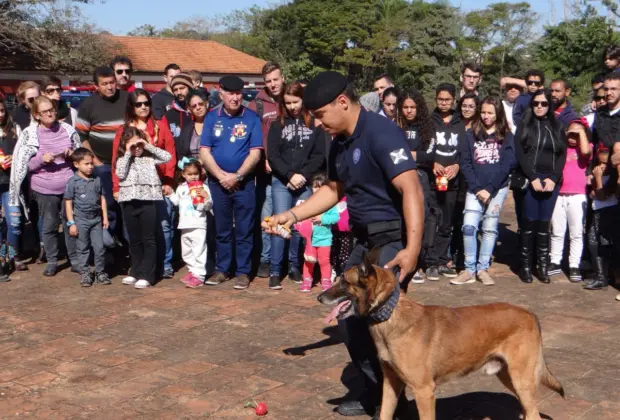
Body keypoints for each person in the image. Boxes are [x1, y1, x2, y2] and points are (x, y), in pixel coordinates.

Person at [263, 71, 424, 418]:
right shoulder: (338, 140)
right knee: (350, 319)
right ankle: (376, 393)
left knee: (387, 323)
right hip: (364, 239)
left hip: (393, 236)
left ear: (342, 102)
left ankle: (401, 404)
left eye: (321, 115)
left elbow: (411, 189)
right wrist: (292, 214)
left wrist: (412, 249)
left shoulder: (381, 133)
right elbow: (335, 189)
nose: (319, 124)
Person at [200, 76, 263, 290]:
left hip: (243, 184)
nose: (235, 98)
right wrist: (221, 176)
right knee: (222, 229)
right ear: (221, 93)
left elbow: (255, 153)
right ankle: (222, 268)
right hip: (218, 184)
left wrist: (236, 176)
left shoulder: (252, 118)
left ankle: (243, 271)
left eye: (238, 93)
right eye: (231, 93)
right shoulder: (211, 117)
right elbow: (204, 152)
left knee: (245, 228)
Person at [10, 96, 80, 277]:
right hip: (44, 188)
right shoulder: (30, 134)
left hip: (68, 186)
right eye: (45, 111)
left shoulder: (67, 129)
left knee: (70, 223)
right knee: (49, 225)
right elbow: (24, 165)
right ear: (36, 115)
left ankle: (74, 259)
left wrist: (71, 155)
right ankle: (52, 260)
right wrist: (41, 159)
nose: (50, 113)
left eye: (52, 109)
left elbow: (80, 157)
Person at [111, 89, 177, 279]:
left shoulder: (159, 126)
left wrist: (169, 180)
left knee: (162, 226)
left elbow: (169, 153)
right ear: (131, 107)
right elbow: (117, 161)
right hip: (130, 188)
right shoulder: (124, 131)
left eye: (146, 103)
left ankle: (163, 265)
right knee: (135, 232)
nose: (143, 107)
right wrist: (116, 187)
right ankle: (138, 268)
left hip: (156, 186)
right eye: (138, 104)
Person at [266, 81, 326, 290]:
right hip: (282, 181)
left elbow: (319, 154)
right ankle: (275, 270)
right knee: (279, 224)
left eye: (296, 102)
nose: (292, 107)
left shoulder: (314, 125)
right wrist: (289, 174)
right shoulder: (277, 125)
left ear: (303, 100)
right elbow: (272, 155)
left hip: (305, 182)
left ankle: (295, 266)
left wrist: (304, 175)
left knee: (300, 227)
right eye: (288, 103)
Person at [451, 97, 515, 286]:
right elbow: (465, 163)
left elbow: (507, 165)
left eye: (490, 113)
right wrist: (478, 188)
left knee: (489, 228)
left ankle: (483, 268)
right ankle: (469, 269)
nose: (486, 116)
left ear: (498, 114)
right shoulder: (471, 134)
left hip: (497, 189)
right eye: (484, 112)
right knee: (469, 226)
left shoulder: (506, 136)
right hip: (475, 189)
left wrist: (490, 189)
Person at [515, 89, 567, 284]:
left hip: (551, 180)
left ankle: (542, 266)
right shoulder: (524, 125)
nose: (539, 106)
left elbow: (562, 155)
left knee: (544, 224)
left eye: (544, 104)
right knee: (529, 223)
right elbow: (520, 153)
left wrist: (554, 178)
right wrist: (533, 177)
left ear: (549, 106)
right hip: (531, 179)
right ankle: (526, 266)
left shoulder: (558, 126)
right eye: (536, 103)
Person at [76, 66, 129, 238]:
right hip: (103, 164)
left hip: (127, 162)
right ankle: (112, 242)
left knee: (128, 203)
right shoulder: (88, 105)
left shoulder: (127, 99)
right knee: (109, 204)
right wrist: (95, 162)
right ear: (96, 86)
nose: (110, 87)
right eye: (104, 84)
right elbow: (81, 136)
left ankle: (129, 244)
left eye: (112, 82)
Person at [115, 126, 171, 289]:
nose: (137, 149)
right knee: (134, 240)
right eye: (133, 146)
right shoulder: (123, 159)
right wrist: (127, 152)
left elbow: (167, 156)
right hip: (129, 202)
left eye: (139, 145)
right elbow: (119, 173)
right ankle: (136, 271)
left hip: (147, 202)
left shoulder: (150, 158)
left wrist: (147, 145)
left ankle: (148, 274)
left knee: (148, 238)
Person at [248, 62, 285, 279]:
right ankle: (266, 258)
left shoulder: (292, 98)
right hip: (267, 171)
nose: (272, 84)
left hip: (291, 170)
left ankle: (289, 260)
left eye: (275, 79)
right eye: (268, 81)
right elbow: (254, 136)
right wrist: (263, 159)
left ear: (282, 78)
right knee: (267, 216)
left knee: (291, 216)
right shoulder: (257, 105)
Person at [424, 83, 464, 281]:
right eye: (441, 99)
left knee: (447, 222)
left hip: (452, 181)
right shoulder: (430, 121)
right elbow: (423, 148)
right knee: (433, 220)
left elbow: (465, 151)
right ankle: (430, 261)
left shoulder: (460, 122)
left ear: (454, 100)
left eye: (448, 100)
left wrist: (457, 166)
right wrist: (432, 162)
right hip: (433, 180)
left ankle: (442, 260)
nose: (444, 103)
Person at [397, 88, 435, 283]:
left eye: (412, 107)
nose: (409, 111)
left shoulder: (426, 128)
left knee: (422, 218)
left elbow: (430, 154)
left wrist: (410, 157)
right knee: (402, 219)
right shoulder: (395, 126)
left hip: (421, 179)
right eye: (405, 107)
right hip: (399, 179)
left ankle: (420, 263)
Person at [548, 119, 592, 283]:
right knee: (557, 231)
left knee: (576, 233)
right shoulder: (562, 148)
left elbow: (586, 152)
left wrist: (581, 133)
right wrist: (565, 135)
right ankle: (555, 261)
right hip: (559, 194)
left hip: (577, 195)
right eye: (570, 133)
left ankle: (574, 264)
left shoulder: (585, 149)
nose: (573, 137)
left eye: (577, 134)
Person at [64, 148, 110, 287]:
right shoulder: (73, 181)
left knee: (99, 247)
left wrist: (105, 217)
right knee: (82, 248)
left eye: (91, 164)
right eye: (86, 164)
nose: (90, 167)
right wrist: (71, 223)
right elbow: (68, 202)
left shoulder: (97, 179)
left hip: (96, 220)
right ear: (76, 164)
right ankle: (85, 273)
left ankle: (100, 272)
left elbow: (102, 198)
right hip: (81, 220)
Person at [168, 158, 213, 288]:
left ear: (200, 174)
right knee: (186, 252)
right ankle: (192, 271)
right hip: (184, 224)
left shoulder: (203, 187)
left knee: (198, 250)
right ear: (183, 174)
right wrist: (170, 194)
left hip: (198, 224)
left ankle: (199, 276)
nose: (193, 177)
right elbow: (176, 202)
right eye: (190, 174)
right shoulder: (181, 188)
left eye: (195, 174)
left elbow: (208, 206)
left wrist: (206, 197)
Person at [295, 173, 339, 292]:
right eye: (315, 187)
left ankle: (326, 280)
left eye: (320, 187)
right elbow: (301, 216)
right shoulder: (309, 203)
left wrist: (322, 219)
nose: (317, 189)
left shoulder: (329, 204)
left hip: (325, 239)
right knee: (309, 261)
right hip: (310, 240)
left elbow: (336, 217)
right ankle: (307, 281)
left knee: (324, 261)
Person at [583, 147, 616, 291]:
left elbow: (602, 196)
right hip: (597, 212)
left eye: (605, 164)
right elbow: (594, 195)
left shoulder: (613, 178)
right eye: (600, 163)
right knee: (592, 243)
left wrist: (597, 178)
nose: (602, 167)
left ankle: (604, 276)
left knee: (603, 245)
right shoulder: (600, 176)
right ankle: (600, 274)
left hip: (609, 213)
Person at [0, 97, 24, 278]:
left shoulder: (15, 129)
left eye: (1, 111)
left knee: (14, 223)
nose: (0, 115)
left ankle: (12, 256)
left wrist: (13, 159)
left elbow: (24, 154)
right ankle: (3, 259)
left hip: (10, 183)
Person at [177, 90, 209, 160]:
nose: (198, 108)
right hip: (193, 168)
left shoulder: (215, 124)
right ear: (189, 109)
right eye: (194, 106)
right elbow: (181, 152)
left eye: (200, 104)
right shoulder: (187, 129)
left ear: (206, 103)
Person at [163, 73, 193, 143]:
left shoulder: (199, 112)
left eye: (182, 88)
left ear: (190, 88)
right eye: (175, 90)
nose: (179, 92)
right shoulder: (168, 115)